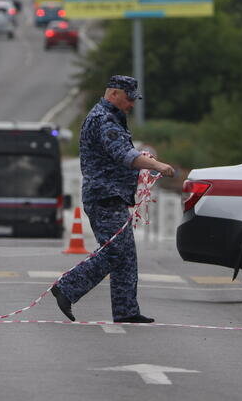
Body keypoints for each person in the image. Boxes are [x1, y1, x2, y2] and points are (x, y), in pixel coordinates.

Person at [51, 75, 175, 323]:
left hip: (112, 196)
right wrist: (157, 165)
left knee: (126, 253)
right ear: (114, 94)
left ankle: (126, 310)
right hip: (104, 196)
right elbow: (125, 155)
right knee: (115, 251)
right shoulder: (104, 120)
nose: (131, 104)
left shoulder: (112, 119)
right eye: (129, 99)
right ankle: (66, 287)